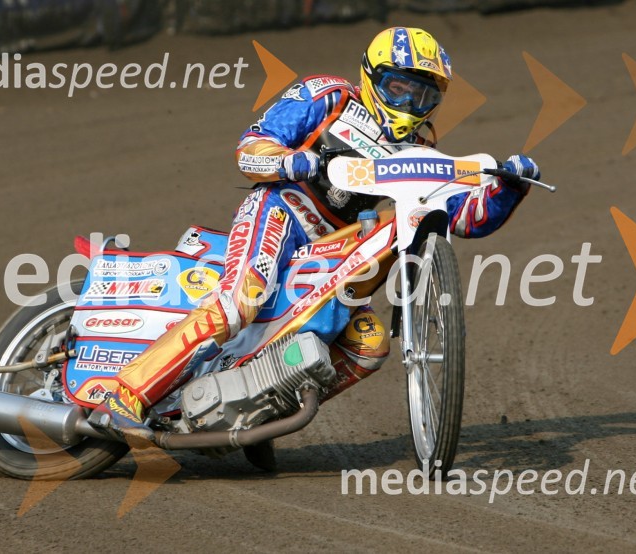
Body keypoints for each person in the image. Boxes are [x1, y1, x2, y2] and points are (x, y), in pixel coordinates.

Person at [88, 27, 540, 442]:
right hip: (280, 211)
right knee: (240, 300)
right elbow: (252, 145)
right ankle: (125, 395)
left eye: (422, 93)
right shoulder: (329, 96)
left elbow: (461, 218)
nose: (408, 101)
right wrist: (289, 161)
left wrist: (508, 187)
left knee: (369, 345)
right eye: (398, 86)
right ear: (371, 77)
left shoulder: (420, 149)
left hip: (335, 246)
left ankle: (255, 416)